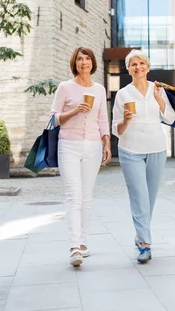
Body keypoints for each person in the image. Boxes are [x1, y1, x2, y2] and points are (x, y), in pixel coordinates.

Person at [112, 49, 175, 263]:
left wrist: (159, 101)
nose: (138, 67)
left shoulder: (158, 89)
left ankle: (140, 234)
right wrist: (126, 121)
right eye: (133, 64)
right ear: (128, 69)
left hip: (157, 147)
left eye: (141, 63)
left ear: (147, 67)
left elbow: (170, 117)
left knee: (150, 197)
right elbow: (116, 129)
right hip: (130, 149)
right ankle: (145, 245)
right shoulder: (123, 94)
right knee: (139, 195)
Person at [50, 47, 111, 267]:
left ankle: (83, 242)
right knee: (73, 195)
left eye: (87, 59)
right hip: (69, 145)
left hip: (93, 146)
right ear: (74, 63)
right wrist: (75, 110)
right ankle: (74, 246)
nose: (84, 62)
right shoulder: (65, 88)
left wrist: (107, 142)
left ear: (93, 63)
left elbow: (103, 118)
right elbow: (53, 120)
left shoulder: (100, 89)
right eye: (79, 59)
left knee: (86, 196)